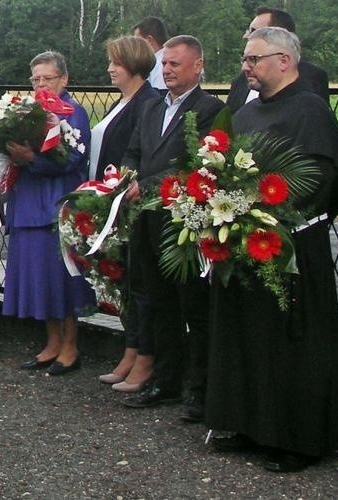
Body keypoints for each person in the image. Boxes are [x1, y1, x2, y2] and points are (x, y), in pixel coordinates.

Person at [205, 27, 338, 472]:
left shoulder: (311, 111)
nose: (245, 67)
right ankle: (250, 423)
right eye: (245, 60)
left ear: (285, 61)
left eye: (254, 59)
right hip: (244, 242)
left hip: (291, 246)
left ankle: (297, 437)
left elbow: (322, 179)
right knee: (249, 338)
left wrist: (266, 215)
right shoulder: (246, 115)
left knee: (292, 342)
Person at [121, 35, 222, 422]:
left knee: (192, 307)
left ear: (197, 66)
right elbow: (135, 152)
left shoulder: (210, 108)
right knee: (157, 303)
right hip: (147, 220)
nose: (167, 71)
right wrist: (123, 176)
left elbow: (197, 163)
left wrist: (144, 186)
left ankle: (199, 390)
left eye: (175, 65)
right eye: (164, 65)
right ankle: (165, 379)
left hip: (183, 224)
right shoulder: (150, 107)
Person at [3, 50, 94, 376]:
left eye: (48, 78)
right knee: (40, 279)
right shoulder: (26, 112)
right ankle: (52, 342)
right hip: (28, 203)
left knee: (61, 280)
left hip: (55, 206)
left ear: (64, 80)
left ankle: (70, 346)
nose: (41, 84)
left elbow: (72, 159)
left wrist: (30, 157)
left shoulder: (74, 112)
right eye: (36, 79)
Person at [88, 36, 159, 390]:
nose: (109, 69)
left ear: (132, 63)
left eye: (115, 62)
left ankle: (140, 353)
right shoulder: (123, 101)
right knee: (124, 282)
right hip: (112, 200)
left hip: (130, 203)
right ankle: (130, 349)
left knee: (136, 281)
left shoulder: (147, 102)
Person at [226, 7, 329, 114]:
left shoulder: (312, 78)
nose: (246, 36)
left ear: (279, 34)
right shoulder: (241, 81)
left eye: (254, 31)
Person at [133, 16, 168, 91]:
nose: (134, 46)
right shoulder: (157, 62)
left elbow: (158, 97)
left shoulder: (161, 65)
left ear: (149, 40)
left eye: (137, 41)